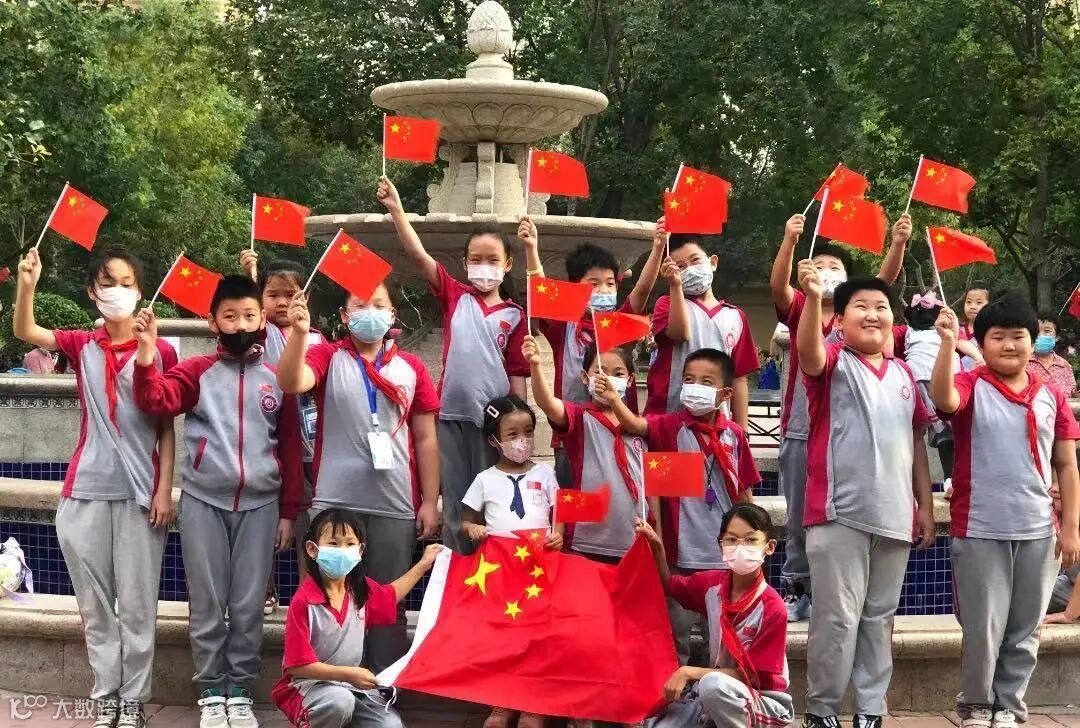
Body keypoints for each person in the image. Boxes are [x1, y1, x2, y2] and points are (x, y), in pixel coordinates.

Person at [13, 247, 177, 728]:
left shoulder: (161, 350)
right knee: (95, 605)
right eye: (108, 283)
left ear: (140, 291)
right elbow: (26, 330)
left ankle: (134, 701)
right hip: (84, 490)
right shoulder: (82, 344)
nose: (117, 292)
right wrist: (27, 285)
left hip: (140, 495)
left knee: (139, 604)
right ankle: (107, 695)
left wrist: (164, 489)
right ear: (92, 291)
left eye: (127, 283)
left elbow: (167, 427)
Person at [131, 276, 303, 728]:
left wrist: (288, 512)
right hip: (204, 502)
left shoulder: (279, 376)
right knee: (207, 603)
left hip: (261, 507)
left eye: (249, 315)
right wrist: (146, 354)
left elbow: (289, 447)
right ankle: (211, 691)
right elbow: (154, 400)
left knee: (248, 605)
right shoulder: (197, 371)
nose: (240, 324)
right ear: (213, 322)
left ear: (262, 319)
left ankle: (240, 692)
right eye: (230, 316)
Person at [929, 292, 1080, 728]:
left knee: (1026, 628)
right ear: (981, 343)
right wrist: (946, 344)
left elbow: (1067, 465)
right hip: (979, 527)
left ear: (1033, 341)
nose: (1010, 345)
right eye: (998, 337)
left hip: (1038, 530)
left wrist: (1070, 528)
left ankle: (1009, 706)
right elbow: (944, 400)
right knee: (983, 626)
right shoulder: (970, 384)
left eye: (1019, 336)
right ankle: (977, 704)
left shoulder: (1051, 395)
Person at [276, 283, 441, 673]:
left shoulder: (411, 367)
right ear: (345, 316)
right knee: (327, 601)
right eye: (360, 304)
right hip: (335, 502)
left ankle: (382, 688)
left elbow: (426, 437)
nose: (370, 311)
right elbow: (291, 382)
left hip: (395, 505)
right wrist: (298, 334)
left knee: (388, 605)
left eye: (379, 304)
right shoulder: (328, 357)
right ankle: (329, 687)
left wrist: (430, 501)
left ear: (393, 314)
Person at [795, 269, 935, 728]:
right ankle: (822, 709)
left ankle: (871, 709)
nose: (873, 314)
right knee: (837, 619)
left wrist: (925, 505)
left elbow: (916, 442)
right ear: (840, 319)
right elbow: (808, 353)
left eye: (881, 307)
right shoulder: (833, 363)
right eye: (861, 306)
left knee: (880, 618)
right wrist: (812, 298)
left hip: (895, 516)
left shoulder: (904, 373)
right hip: (838, 514)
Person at [768, 213, 910, 622]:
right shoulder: (802, 308)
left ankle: (832, 591)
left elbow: (881, 282)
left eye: (835, 268)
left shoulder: (854, 318)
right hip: (802, 429)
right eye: (821, 265)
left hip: (849, 434)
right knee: (799, 514)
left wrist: (898, 245)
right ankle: (797, 586)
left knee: (838, 518)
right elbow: (778, 286)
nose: (827, 272)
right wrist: (789, 241)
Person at [378, 176, 529, 553]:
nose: (484, 267)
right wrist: (397, 210)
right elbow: (419, 257)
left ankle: (491, 575)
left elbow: (517, 376)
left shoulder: (514, 314)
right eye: (476, 259)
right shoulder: (455, 295)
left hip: (492, 422)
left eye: (492, 260)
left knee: (490, 503)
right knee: (457, 504)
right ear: (464, 263)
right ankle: (454, 575)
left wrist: (519, 427)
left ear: (507, 264)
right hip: (449, 417)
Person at [601, 347, 760, 664]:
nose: (695, 387)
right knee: (676, 636)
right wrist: (615, 398)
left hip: (724, 558)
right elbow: (635, 424)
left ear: (726, 394)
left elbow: (744, 491)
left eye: (706, 382)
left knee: (723, 636)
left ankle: (716, 689)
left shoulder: (734, 436)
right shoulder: (670, 427)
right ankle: (676, 689)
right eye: (689, 379)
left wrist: (753, 540)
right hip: (680, 558)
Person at [518, 215, 666, 486]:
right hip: (573, 433)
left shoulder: (620, 325)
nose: (603, 290)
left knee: (624, 494)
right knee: (574, 500)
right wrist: (531, 248)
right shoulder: (563, 326)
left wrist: (657, 247)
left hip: (620, 428)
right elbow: (541, 290)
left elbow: (642, 289)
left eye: (610, 283)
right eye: (593, 284)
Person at [271, 508, 441, 728]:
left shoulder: (360, 590)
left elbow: (390, 595)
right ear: (312, 549)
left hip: (352, 687)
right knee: (339, 703)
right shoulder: (304, 601)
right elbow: (297, 667)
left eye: (349, 543)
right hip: (309, 687)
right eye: (333, 543)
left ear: (360, 550)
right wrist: (349, 674)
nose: (342, 550)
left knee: (390, 725)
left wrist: (424, 564)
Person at [636, 503, 793, 728]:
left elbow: (756, 677)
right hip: (715, 694)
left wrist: (689, 672)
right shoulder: (712, 585)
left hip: (763, 699)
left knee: (712, 685)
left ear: (769, 547)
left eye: (751, 540)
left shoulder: (772, 607)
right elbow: (669, 585)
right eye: (732, 539)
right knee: (658, 724)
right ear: (721, 545)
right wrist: (658, 548)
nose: (740, 547)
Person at [460, 395, 563, 728]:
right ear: (494, 439)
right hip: (502, 575)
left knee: (538, 636)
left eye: (528, 432)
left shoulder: (545, 473)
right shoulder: (484, 479)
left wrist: (558, 534)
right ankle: (501, 703)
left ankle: (533, 705)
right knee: (503, 637)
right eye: (513, 434)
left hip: (539, 572)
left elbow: (559, 511)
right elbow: (465, 521)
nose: (523, 441)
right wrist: (473, 529)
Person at [240, 252, 328, 614]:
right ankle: (265, 585)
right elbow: (245, 316)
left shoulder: (319, 341)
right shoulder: (260, 336)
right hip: (265, 441)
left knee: (308, 521)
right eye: (272, 294)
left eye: (290, 295)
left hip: (309, 444)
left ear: (305, 298)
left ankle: (311, 591)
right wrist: (250, 276)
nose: (281, 302)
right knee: (266, 517)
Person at [524, 335, 660, 561]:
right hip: (587, 541)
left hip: (635, 538)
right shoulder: (579, 418)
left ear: (630, 380)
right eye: (600, 372)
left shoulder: (641, 425)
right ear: (585, 377)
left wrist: (658, 536)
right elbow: (547, 403)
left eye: (618, 374)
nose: (607, 380)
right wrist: (536, 365)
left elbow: (652, 487)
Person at [643, 234, 759, 429]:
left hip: (716, 428)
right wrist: (675, 286)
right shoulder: (666, 304)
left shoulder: (735, 316)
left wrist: (742, 430)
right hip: (667, 421)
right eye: (680, 266)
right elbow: (680, 334)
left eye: (695, 260)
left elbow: (738, 377)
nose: (689, 269)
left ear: (713, 262)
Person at [894, 291, 985, 491]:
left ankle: (945, 478)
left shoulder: (913, 332)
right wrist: (978, 357)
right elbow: (961, 343)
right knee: (944, 430)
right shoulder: (937, 332)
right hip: (939, 380)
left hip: (920, 379)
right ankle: (947, 478)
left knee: (931, 430)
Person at [1025, 312, 1077, 398]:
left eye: (1047, 331)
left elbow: (1072, 394)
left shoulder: (1064, 365)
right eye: (1036, 331)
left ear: (1057, 337)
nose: (1040, 335)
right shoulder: (1022, 362)